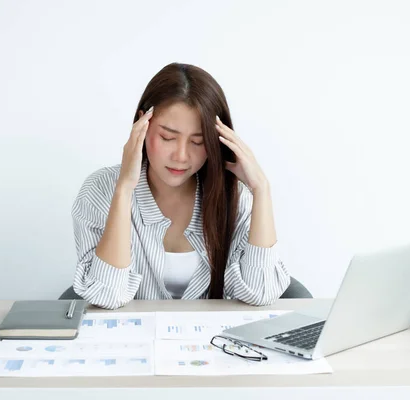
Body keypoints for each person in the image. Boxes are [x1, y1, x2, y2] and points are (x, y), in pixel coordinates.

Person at [71, 62, 290, 309]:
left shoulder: (235, 196)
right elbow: (107, 296)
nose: (181, 156)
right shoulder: (100, 190)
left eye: (198, 142)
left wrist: (261, 189)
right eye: (167, 137)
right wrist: (124, 189)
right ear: (141, 125)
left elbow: (261, 293)